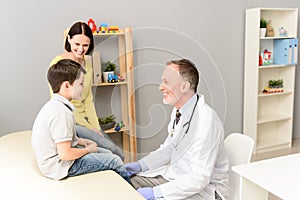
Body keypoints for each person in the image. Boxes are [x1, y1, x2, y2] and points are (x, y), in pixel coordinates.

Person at [125, 59, 229, 199]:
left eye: (166, 82)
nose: (160, 87)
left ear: (185, 87)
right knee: (128, 182)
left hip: (207, 191)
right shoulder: (179, 111)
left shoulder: (206, 120)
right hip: (178, 179)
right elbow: (169, 148)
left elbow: (200, 178)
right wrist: (140, 165)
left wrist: (156, 193)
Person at [32, 59, 130, 183]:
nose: (83, 88)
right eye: (81, 84)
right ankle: (134, 193)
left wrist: (82, 141)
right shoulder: (62, 114)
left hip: (56, 162)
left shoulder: (55, 106)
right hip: (59, 167)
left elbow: (59, 138)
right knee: (114, 161)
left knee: (107, 152)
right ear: (67, 85)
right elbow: (65, 154)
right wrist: (88, 150)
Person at [49, 21, 124, 160]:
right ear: (69, 39)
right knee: (114, 153)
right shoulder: (58, 64)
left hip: (86, 121)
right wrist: (88, 127)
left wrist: (95, 126)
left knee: (117, 152)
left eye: (85, 45)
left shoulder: (87, 62)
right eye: (77, 44)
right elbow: (61, 104)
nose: (81, 49)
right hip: (72, 121)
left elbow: (88, 98)